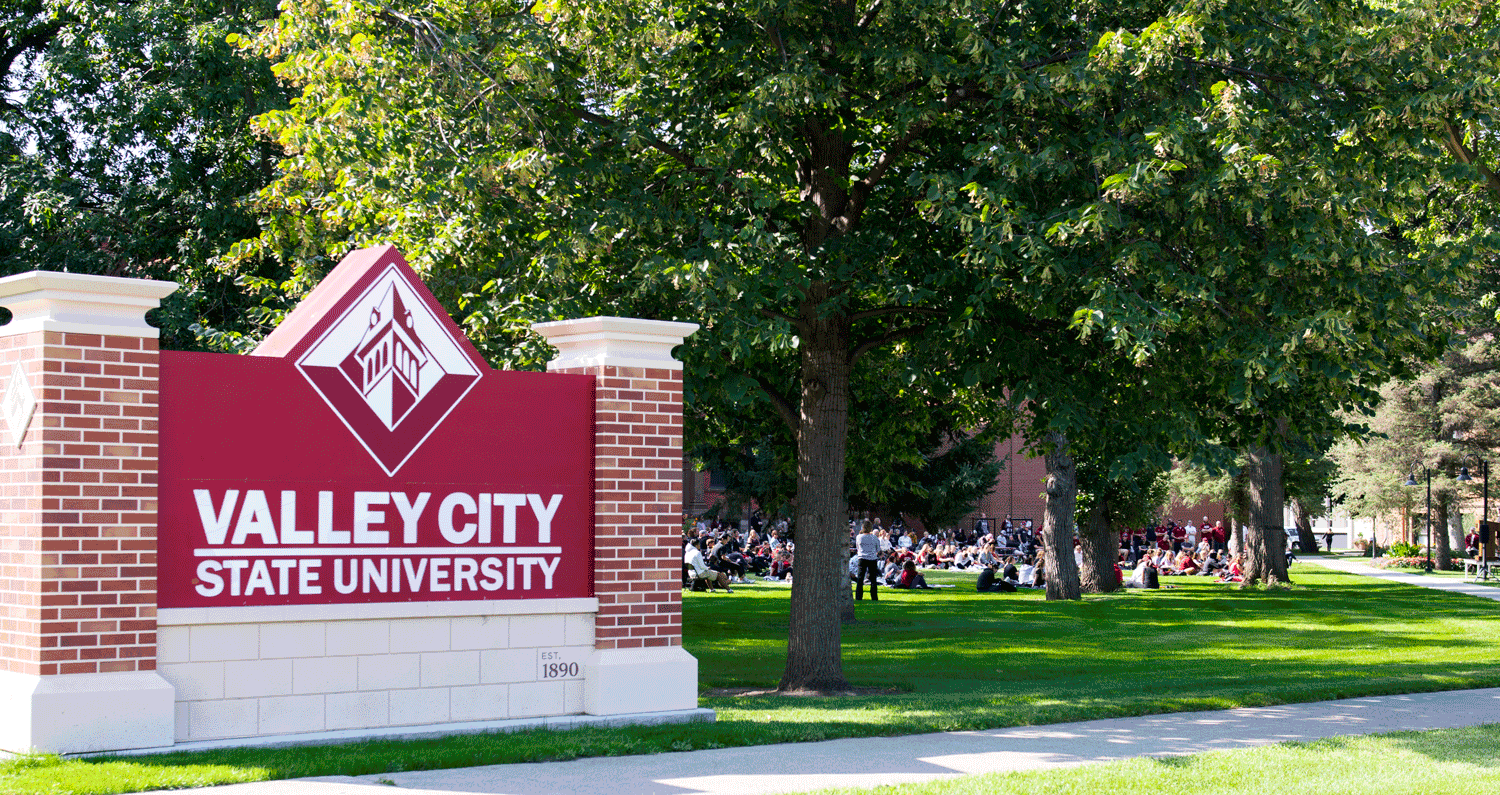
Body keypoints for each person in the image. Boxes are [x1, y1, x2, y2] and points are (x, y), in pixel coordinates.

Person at [854, 520, 881, 601]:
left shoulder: (859, 537)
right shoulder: (874, 537)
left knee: (860, 578)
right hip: (872, 558)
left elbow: (857, 547)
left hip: (862, 558)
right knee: (873, 579)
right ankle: (874, 597)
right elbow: (878, 549)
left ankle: (858, 597)